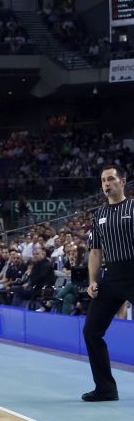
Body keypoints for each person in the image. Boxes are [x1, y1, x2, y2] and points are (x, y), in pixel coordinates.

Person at [82, 165, 134, 402]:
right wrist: (93, 281)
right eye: (103, 180)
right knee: (91, 331)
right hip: (111, 276)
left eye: (111, 178)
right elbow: (95, 252)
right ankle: (105, 388)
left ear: (123, 182)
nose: (106, 183)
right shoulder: (99, 214)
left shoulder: (133, 208)